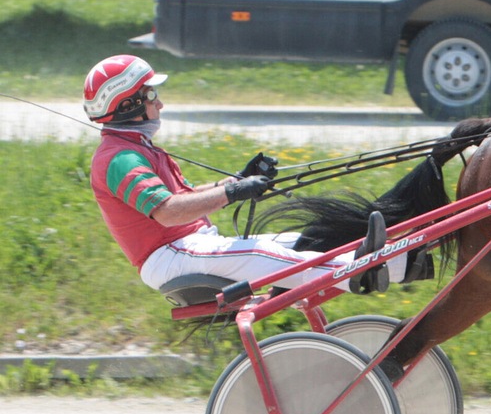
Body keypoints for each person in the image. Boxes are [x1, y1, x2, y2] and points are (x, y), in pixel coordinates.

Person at [86, 54, 406, 298]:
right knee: (261, 254)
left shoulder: (135, 148)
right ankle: (356, 272)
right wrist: (232, 193)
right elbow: (169, 213)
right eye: (151, 95)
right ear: (129, 105)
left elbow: (183, 198)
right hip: (170, 255)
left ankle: (403, 262)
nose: (161, 103)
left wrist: (235, 181)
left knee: (297, 242)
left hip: (185, 247)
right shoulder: (119, 159)